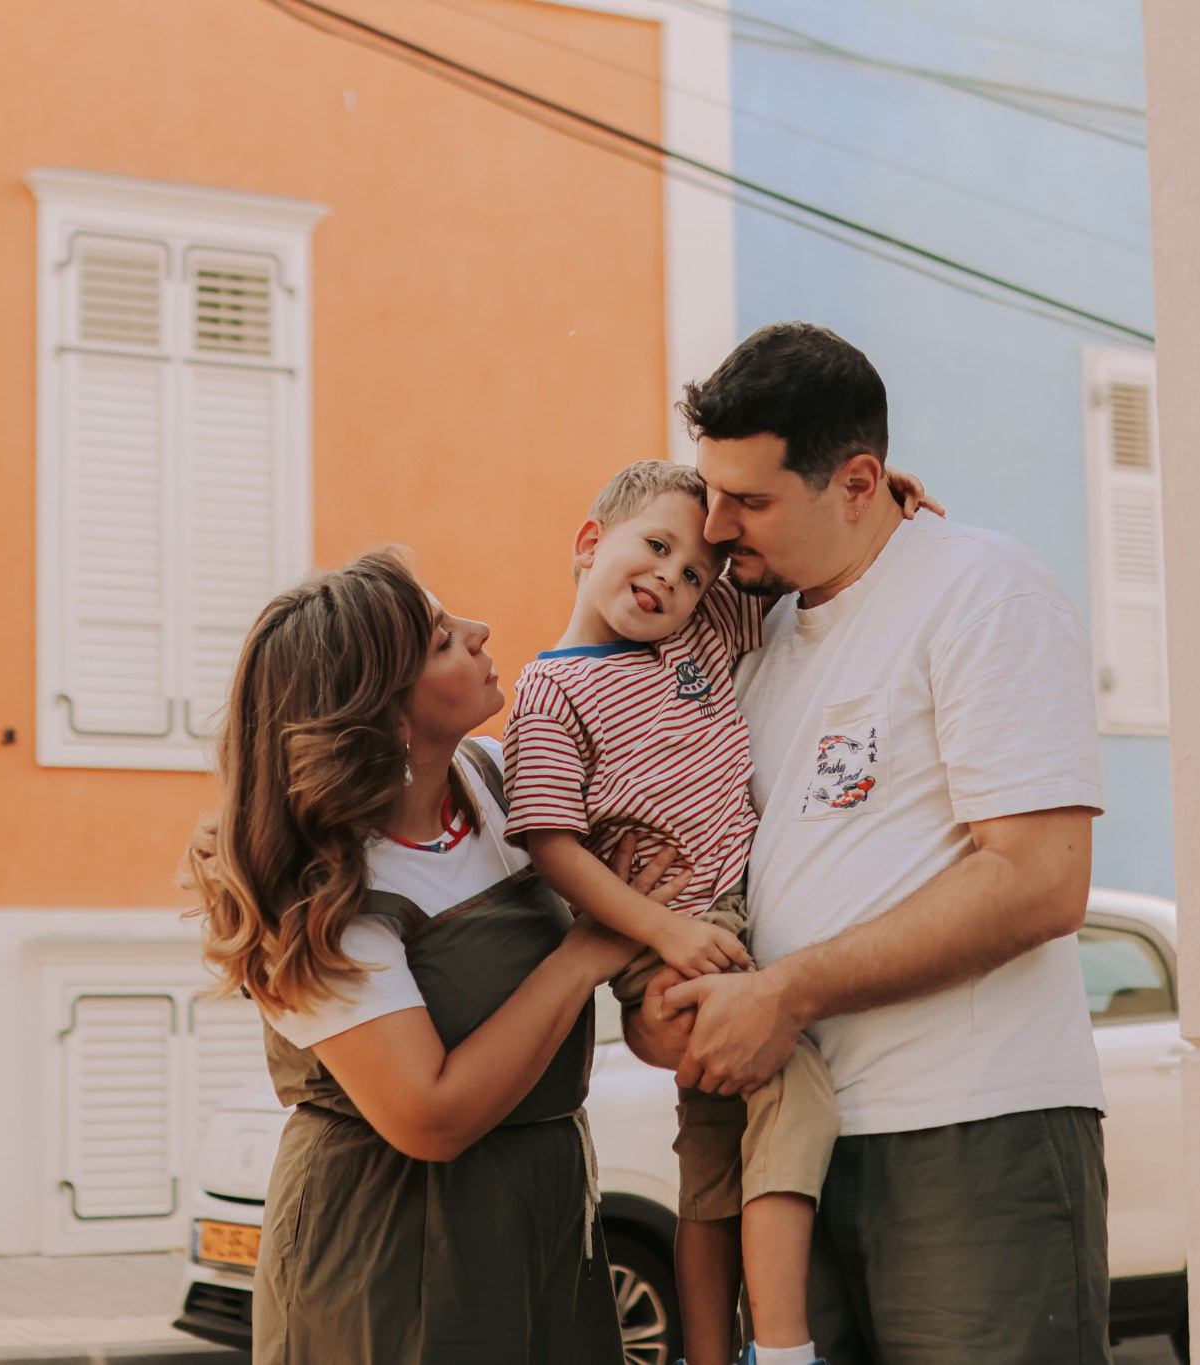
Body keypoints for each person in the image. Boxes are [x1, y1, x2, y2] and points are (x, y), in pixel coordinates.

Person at [630, 322, 1112, 1365]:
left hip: (972, 1130)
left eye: (748, 502)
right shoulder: (743, 639)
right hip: (786, 1146)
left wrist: (785, 994)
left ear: (858, 484)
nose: (714, 527)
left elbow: (1037, 880)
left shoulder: (984, 591)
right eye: (711, 492)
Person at [182, 548, 675, 1365]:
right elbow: (430, 1115)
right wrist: (586, 954)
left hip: (545, 1220)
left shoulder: (493, 783)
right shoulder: (319, 888)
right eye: (444, 640)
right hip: (392, 1251)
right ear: (389, 718)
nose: (481, 633)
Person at [505, 460, 940, 1365]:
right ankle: (781, 1349)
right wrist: (660, 931)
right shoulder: (548, 691)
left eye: (696, 570)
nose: (675, 576)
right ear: (590, 544)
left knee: (709, 1166)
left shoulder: (700, 639)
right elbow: (549, 842)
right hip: (662, 938)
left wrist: (870, 496)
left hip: (727, 924)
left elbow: (788, 564)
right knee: (793, 1086)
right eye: (656, 548)